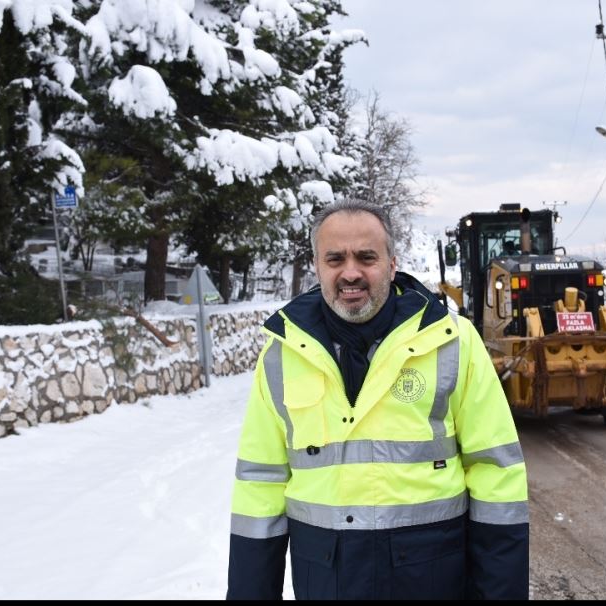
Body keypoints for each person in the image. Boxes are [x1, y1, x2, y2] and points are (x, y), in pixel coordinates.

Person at [226, 199, 529, 600]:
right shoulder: (282, 356)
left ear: (391, 263)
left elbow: (496, 475)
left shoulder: (454, 342)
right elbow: (260, 484)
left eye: (366, 257)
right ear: (317, 266)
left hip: (430, 583)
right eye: (335, 259)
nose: (350, 272)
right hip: (327, 583)